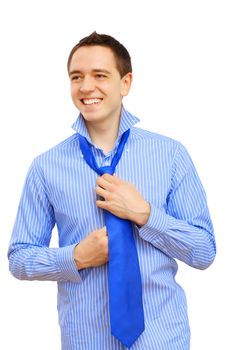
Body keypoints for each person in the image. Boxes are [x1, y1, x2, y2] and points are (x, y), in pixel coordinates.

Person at [8, 31, 216, 350]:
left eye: (100, 75)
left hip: (162, 340)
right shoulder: (45, 167)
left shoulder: (171, 156)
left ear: (126, 83)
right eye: (76, 77)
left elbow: (204, 251)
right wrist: (76, 257)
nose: (86, 86)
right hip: (85, 341)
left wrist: (145, 215)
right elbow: (19, 258)